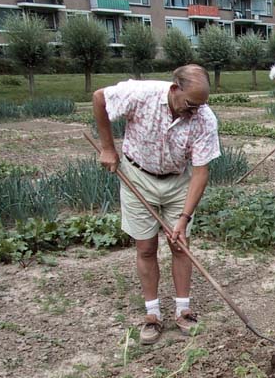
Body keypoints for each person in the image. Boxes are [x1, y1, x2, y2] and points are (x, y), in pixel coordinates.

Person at [93, 64, 221, 345]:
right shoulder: (142, 94)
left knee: (180, 244)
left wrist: (184, 218)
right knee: (146, 247)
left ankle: (183, 310)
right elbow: (100, 97)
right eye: (190, 104)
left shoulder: (204, 118)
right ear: (175, 89)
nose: (195, 111)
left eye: (201, 105)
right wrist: (107, 147)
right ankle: (152, 314)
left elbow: (200, 172)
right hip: (138, 175)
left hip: (178, 181)